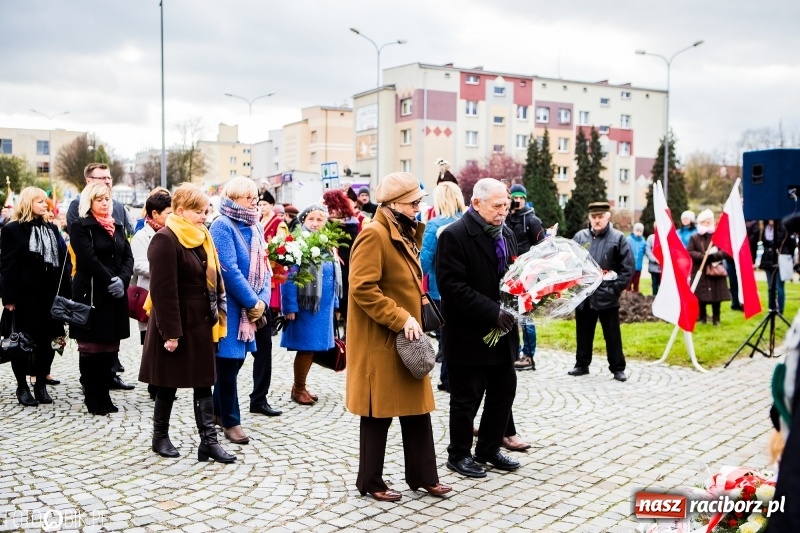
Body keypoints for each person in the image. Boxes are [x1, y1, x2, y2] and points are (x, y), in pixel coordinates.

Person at [346, 171, 451, 502]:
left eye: (419, 201)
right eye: (413, 203)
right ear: (393, 205)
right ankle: (370, 481)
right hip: (383, 340)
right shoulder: (374, 234)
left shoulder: (403, 233)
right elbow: (362, 287)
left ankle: (423, 477)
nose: (419, 208)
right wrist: (400, 317)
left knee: (417, 409)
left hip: (407, 339)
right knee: (378, 413)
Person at [138, 183, 235, 463]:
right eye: (197, 212)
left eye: (205, 211)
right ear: (180, 211)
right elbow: (163, 291)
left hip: (201, 321)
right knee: (168, 383)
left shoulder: (202, 235)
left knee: (204, 382)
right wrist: (171, 333)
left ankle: (208, 442)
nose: (204, 217)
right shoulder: (165, 239)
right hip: (176, 322)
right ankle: (160, 437)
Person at [437, 178, 521, 479]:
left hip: (503, 331)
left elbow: (513, 275)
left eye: (506, 205)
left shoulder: (505, 232)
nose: (503, 211)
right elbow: (452, 288)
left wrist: (525, 296)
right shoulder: (455, 235)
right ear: (476, 203)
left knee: (503, 390)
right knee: (466, 398)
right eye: (497, 206)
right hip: (468, 333)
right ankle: (458, 454)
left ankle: (488, 448)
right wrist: (491, 312)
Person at [209, 178, 273, 444]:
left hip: (252, 309)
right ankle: (230, 421)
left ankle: (215, 411)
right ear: (234, 198)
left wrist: (263, 301)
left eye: (255, 196)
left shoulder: (255, 224)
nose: (255, 201)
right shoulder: (222, 225)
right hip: (232, 309)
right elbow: (229, 270)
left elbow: (265, 266)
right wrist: (252, 302)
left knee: (234, 364)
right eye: (249, 197)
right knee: (228, 364)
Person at [67, 163, 135, 391]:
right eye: (100, 200)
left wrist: (123, 280)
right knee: (91, 344)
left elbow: (127, 255)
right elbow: (88, 259)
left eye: (107, 199)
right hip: (93, 289)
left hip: (114, 292)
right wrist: (110, 280)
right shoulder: (80, 224)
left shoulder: (115, 225)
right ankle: (92, 390)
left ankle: (107, 384)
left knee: (110, 343)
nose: (106, 203)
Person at [1, 187, 70, 406]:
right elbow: (8, 266)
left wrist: (65, 296)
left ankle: (40, 383)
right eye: (39, 201)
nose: (45, 205)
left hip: (50, 297)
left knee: (49, 343)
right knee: (21, 343)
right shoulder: (13, 230)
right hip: (24, 298)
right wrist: (9, 298)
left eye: (45, 201)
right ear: (28, 202)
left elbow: (61, 264)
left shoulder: (51, 228)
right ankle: (22, 386)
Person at [280, 204, 341, 405]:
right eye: (311, 219)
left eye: (319, 219)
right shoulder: (298, 242)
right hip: (305, 306)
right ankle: (298, 389)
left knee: (312, 347)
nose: (315, 223)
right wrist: (289, 306)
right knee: (306, 348)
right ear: (303, 221)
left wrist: (336, 304)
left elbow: (332, 276)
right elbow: (288, 275)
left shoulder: (327, 243)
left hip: (322, 308)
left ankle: (301, 385)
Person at [569, 202, 634, 382]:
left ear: (608, 217)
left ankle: (617, 368)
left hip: (607, 296)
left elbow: (627, 269)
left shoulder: (618, 238)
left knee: (612, 334)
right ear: (589, 218)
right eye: (593, 217)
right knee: (583, 332)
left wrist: (613, 290)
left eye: (600, 217)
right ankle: (581, 364)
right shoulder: (580, 237)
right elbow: (570, 263)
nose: (597, 220)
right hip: (585, 295)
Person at [420, 182, 466, 393]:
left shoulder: (435, 225)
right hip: (468, 288)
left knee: (447, 336)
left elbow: (425, 262)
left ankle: (447, 379)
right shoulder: (469, 222)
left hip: (441, 289)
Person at [131, 190, 172, 401]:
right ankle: (153, 385)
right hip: (149, 294)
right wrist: (164, 268)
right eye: (167, 213)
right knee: (150, 342)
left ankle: (164, 383)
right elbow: (138, 265)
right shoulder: (141, 236)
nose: (170, 216)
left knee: (167, 340)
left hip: (168, 294)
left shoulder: (171, 232)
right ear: (154, 214)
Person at [506, 184, 545, 372]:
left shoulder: (532, 220)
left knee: (526, 317)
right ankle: (514, 352)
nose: (517, 200)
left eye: (521, 196)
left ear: (525, 198)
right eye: (515, 196)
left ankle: (529, 356)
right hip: (508, 275)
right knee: (511, 316)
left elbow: (543, 247)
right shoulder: (505, 218)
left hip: (528, 276)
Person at [687, 209, 731, 326]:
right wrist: (703, 257)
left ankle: (716, 318)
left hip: (715, 271)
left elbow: (725, 251)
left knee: (716, 296)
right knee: (701, 296)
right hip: (700, 270)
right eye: (704, 222)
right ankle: (703, 317)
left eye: (708, 222)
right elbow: (690, 251)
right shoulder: (694, 237)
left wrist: (713, 256)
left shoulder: (718, 236)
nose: (706, 224)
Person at [322, 189, 359, 325]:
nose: (329, 211)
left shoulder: (347, 224)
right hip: (338, 266)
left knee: (344, 301)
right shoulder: (349, 221)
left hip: (345, 266)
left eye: (330, 207)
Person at [760, 219, 794, 314]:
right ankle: (771, 308)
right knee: (770, 287)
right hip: (767, 260)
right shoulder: (765, 229)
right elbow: (765, 243)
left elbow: (790, 244)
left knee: (779, 287)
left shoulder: (783, 228)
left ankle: (780, 310)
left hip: (780, 259)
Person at [626, 223, 646, 292]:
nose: (638, 233)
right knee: (628, 283)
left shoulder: (643, 242)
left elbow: (644, 252)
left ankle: (636, 297)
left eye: (640, 231)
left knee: (636, 283)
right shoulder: (628, 240)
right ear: (634, 231)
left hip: (638, 267)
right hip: (630, 266)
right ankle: (627, 297)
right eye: (637, 231)